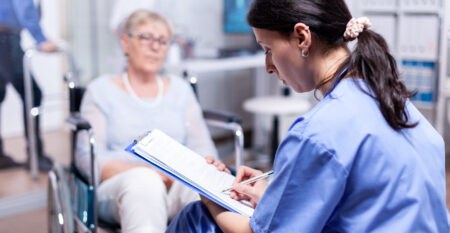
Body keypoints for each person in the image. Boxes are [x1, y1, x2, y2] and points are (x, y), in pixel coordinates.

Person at [166, 0, 449, 232]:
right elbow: (368, 201)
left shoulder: (317, 131)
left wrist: (205, 191)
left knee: (198, 218)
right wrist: (275, 192)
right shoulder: (394, 102)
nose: (268, 66)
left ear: (302, 37)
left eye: (268, 50)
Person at [77, 10, 228, 233]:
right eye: (146, 37)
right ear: (126, 42)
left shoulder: (180, 90)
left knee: (203, 191)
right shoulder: (100, 91)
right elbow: (87, 159)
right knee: (144, 181)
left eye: (163, 41)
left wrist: (206, 168)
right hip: (121, 184)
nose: (156, 47)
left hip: (176, 182)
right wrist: (143, 168)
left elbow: (203, 146)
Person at [0, 0, 58, 170]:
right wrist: (41, 39)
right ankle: (35, 155)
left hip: (5, 37)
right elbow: (23, 6)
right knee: (33, 94)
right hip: (5, 38)